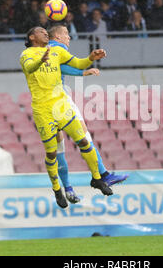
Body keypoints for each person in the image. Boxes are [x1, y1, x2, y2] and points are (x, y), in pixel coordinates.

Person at [19, 26, 113, 208]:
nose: (45, 33)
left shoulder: (55, 51)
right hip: (43, 110)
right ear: (32, 37)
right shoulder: (26, 54)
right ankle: (57, 189)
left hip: (61, 106)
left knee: (84, 141)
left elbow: (77, 63)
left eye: (47, 32)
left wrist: (91, 58)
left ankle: (97, 179)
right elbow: (29, 68)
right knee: (52, 153)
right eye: (41, 32)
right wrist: (41, 61)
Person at [47, 24, 129, 203]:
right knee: (84, 138)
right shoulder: (58, 47)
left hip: (44, 106)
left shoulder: (41, 51)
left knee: (57, 149)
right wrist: (85, 71)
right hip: (59, 100)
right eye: (66, 34)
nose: (69, 38)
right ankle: (101, 175)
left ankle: (67, 188)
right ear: (58, 36)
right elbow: (69, 65)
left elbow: (57, 68)